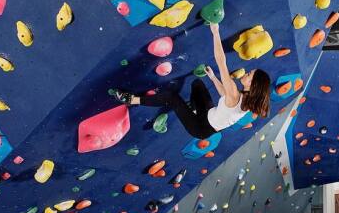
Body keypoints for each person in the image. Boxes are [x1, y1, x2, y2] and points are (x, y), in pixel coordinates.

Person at [110, 23, 271, 139]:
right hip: (209, 114)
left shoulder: (236, 93)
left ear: (252, 84)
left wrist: (215, 32)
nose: (247, 73)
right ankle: (190, 109)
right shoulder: (243, 98)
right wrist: (213, 78)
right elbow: (224, 95)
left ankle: (131, 99)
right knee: (197, 85)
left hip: (200, 128)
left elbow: (221, 61)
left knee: (171, 98)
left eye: (250, 74)